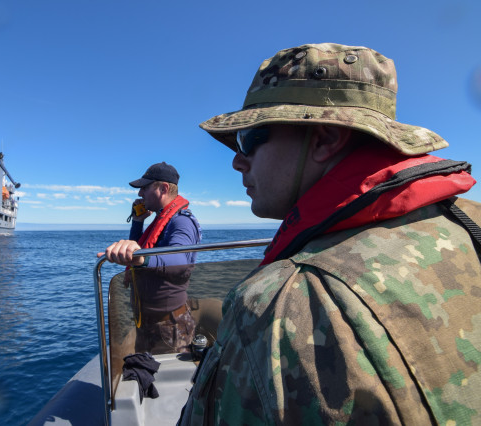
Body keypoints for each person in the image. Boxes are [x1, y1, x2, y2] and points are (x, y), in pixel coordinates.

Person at [179, 43, 481, 425]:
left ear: (323, 140)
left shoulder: (275, 306)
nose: (238, 161)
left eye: (249, 138)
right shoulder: (470, 222)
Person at [99, 162, 202, 354]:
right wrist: (137, 222)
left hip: (169, 326)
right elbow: (139, 247)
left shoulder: (182, 222)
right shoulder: (159, 220)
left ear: (163, 189)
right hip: (148, 324)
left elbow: (180, 260)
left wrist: (141, 259)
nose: (140, 194)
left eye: (145, 188)